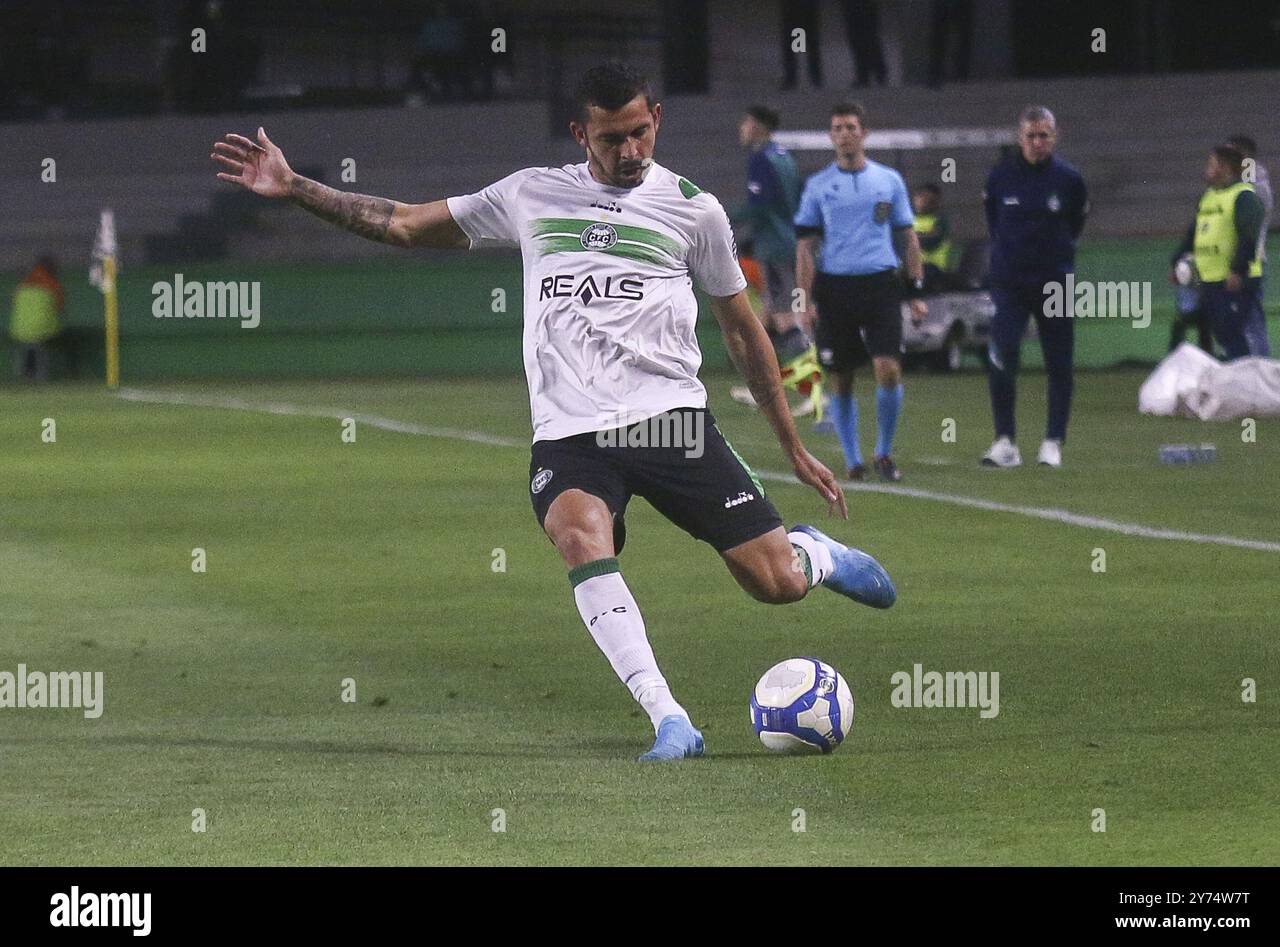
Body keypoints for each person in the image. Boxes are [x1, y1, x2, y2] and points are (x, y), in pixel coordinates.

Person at [210, 61, 896, 763]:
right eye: (610, 140)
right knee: (578, 533)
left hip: (670, 421)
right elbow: (405, 224)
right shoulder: (531, 194)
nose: (629, 152)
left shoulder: (696, 210)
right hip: (570, 432)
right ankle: (670, 719)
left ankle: (814, 554)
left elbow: (744, 331)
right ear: (580, 134)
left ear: (655, 117)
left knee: (772, 583)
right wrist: (294, 187)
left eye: (639, 133)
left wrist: (789, 444)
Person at [793, 102, 927, 483]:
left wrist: (916, 290)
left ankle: (883, 451)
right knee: (842, 376)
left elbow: (908, 237)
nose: (845, 134)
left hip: (881, 283)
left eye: (851, 127)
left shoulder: (889, 181)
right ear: (831, 136)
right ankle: (853, 459)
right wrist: (803, 299)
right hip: (835, 288)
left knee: (888, 369)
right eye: (837, 128)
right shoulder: (818, 185)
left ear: (864, 133)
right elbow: (805, 247)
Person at [980, 106, 1088, 469]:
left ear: (1054, 137)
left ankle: (1053, 441)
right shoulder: (1000, 177)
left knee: (1059, 363)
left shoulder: (1070, 180)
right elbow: (994, 223)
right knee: (1001, 357)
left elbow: (1075, 224)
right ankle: (1005, 440)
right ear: (1019, 137)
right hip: (1010, 284)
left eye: (1045, 135)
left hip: (1055, 282)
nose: (1038, 142)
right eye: (1032, 135)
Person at [729, 105, 823, 419]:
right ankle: (765, 390)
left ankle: (815, 392)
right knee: (765, 320)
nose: (741, 127)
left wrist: (718, 217)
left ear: (757, 126)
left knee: (786, 320)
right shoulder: (785, 157)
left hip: (776, 247)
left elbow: (760, 206)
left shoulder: (761, 158)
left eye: (745, 121)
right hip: (788, 243)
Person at [1169, 144, 1264, 362]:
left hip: (1233, 280)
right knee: (1221, 334)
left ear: (1225, 167)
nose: (1207, 169)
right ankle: (1233, 383)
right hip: (1209, 278)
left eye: (1211, 164)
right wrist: (1176, 262)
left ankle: (1244, 385)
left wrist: (1237, 271)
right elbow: (1193, 235)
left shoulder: (1244, 197)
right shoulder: (1209, 197)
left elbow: (1249, 238)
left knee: (1231, 335)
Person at [1227, 134, 1272, 357]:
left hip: (1249, 263)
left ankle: (1258, 372)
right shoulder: (1250, 181)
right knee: (1244, 323)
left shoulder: (1252, 183)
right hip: (1239, 261)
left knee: (1250, 323)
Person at [8, 255, 69, 380]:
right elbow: (60, 309)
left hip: (19, 329)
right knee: (39, 343)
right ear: (52, 268)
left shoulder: (23, 283)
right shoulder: (53, 284)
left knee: (29, 345)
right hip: (42, 329)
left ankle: (25, 374)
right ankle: (39, 375)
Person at [911, 182, 954, 291]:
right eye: (919, 197)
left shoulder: (939, 221)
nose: (920, 202)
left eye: (926, 199)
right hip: (913, 267)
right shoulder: (910, 220)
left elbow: (930, 242)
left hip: (934, 267)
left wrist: (910, 237)